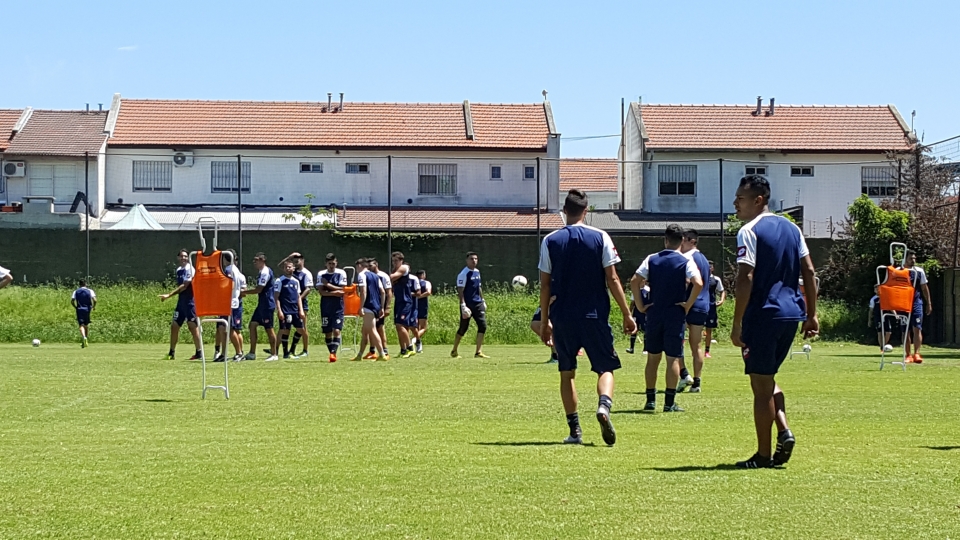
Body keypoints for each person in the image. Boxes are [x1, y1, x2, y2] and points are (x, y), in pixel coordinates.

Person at [731, 174, 818, 469]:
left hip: (764, 315)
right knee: (767, 378)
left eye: (740, 198)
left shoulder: (749, 231)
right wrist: (812, 313)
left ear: (759, 200)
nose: (735, 204)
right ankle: (784, 429)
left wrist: (737, 321)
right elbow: (809, 271)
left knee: (760, 387)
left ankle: (763, 456)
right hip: (791, 314)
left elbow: (747, 276)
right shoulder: (793, 229)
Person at [539, 189, 636, 446]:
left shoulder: (550, 240)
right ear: (586, 210)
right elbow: (613, 278)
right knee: (605, 368)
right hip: (594, 315)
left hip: (563, 317)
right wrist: (627, 314)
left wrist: (545, 321)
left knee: (567, 373)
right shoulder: (600, 236)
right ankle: (604, 407)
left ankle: (575, 432)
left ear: (564, 210)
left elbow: (545, 286)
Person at [632, 225, 703, 413]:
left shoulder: (651, 259)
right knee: (673, 358)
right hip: (675, 314)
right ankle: (669, 403)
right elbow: (698, 283)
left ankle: (650, 401)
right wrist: (688, 304)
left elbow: (634, 281)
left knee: (652, 359)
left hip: (654, 313)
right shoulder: (685, 261)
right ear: (682, 241)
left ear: (665, 240)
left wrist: (639, 305)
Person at [677, 229, 711, 393]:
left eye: (682, 240)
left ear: (691, 241)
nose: (680, 244)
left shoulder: (687, 257)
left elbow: (689, 281)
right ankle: (697, 382)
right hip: (703, 304)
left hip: (688, 303)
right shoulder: (703, 258)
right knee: (696, 345)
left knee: (676, 342)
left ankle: (684, 374)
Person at [159, 249, 203, 360]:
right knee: (174, 326)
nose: (183, 258)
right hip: (181, 303)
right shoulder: (179, 270)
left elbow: (184, 286)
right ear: (178, 258)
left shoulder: (190, 269)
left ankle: (199, 352)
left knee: (192, 326)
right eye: (181, 256)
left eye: (185, 256)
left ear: (188, 258)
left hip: (190, 303)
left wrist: (169, 295)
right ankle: (171, 352)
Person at [241, 252, 279, 362]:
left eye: (256, 260)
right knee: (252, 325)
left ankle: (274, 354)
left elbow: (259, 289)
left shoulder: (265, 272)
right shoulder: (261, 272)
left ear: (262, 261)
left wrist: (244, 292)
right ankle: (252, 353)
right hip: (261, 305)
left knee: (269, 329)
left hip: (267, 304)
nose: (254, 263)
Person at [452, 251, 489, 359]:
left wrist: (483, 300)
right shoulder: (464, 274)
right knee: (463, 328)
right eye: (472, 259)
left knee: (483, 326)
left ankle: (478, 352)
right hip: (468, 305)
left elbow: (479, 287)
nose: (474, 261)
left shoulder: (477, 272)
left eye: (476, 259)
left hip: (478, 304)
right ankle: (454, 350)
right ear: (467, 260)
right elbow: (460, 290)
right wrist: (463, 305)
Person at [352, 258, 387, 362]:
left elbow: (363, 291)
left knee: (372, 330)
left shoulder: (362, 275)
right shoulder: (375, 276)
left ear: (359, 266)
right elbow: (383, 292)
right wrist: (381, 307)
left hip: (368, 305)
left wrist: (361, 307)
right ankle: (359, 355)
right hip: (376, 305)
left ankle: (382, 354)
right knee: (365, 331)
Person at [279, 252, 313, 358]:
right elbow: (280, 266)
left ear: (303, 260)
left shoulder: (306, 273)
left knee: (302, 328)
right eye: (294, 259)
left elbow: (308, 289)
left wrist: (298, 299)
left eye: (298, 259)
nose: (296, 261)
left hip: (301, 304)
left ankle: (305, 350)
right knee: (285, 328)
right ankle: (280, 349)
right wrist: (289, 256)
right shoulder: (291, 271)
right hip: (289, 305)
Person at [317, 253, 348, 363]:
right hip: (325, 306)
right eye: (329, 263)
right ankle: (332, 352)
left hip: (338, 306)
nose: (331, 266)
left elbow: (342, 291)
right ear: (326, 264)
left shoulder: (341, 273)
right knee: (327, 332)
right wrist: (334, 292)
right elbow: (321, 292)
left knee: (337, 330)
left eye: (333, 263)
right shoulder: (321, 274)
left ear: (336, 263)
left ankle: (333, 353)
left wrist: (329, 286)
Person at [903, 250, 931, 364]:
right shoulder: (899, 271)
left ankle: (917, 353)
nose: (913, 260)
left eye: (914, 258)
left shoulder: (919, 271)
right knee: (905, 330)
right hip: (903, 303)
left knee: (917, 328)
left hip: (916, 303)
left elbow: (924, 288)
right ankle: (908, 355)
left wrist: (928, 303)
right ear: (905, 259)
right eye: (911, 258)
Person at [390, 251, 420, 358]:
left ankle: (410, 348)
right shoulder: (395, 269)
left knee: (400, 325)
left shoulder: (403, 268)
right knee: (399, 326)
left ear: (401, 261)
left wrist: (379, 277)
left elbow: (392, 278)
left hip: (405, 301)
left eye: (396, 261)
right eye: (393, 261)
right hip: (398, 300)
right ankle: (403, 350)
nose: (394, 263)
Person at [275, 260, 306, 359]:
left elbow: (298, 297)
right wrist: (279, 310)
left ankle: (292, 350)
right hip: (286, 310)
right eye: (286, 267)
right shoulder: (280, 281)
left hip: (295, 310)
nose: (288, 269)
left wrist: (301, 310)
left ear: (293, 268)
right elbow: (276, 297)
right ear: (284, 269)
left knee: (301, 330)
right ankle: (285, 353)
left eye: (290, 267)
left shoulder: (296, 281)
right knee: (286, 330)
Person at [363, 258, 393, 359]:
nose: (369, 268)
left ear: (376, 265)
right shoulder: (368, 275)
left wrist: (387, 307)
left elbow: (388, 292)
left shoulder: (383, 276)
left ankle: (385, 351)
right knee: (371, 328)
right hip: (371, 304)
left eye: (371, 265)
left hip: (380, 305)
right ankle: (372, 351)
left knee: (380, 327)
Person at [225, 251, 246, 361]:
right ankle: (240, 352)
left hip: (230, 302)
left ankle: (238, 353)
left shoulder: (228, 270)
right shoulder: (238, 271)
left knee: (230, 328)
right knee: (237, 330)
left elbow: (230, 284)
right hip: (236, 301)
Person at [704, 261, 726, 358]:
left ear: (712, 268)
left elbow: (722, 291)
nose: (709, 268)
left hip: (711, 306)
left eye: (710, 267)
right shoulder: (699, 278)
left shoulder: (716, 279)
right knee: (694, 327)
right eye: (707, 266)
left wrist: (721, 300)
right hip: (700, 306)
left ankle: (707, 351)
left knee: (709, 329)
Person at [71, 279, 97, 348]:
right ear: (86, 284)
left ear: (79, 284)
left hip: (80, 309)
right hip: (87, 309)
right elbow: (95, 300)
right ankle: (85, 340)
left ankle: (84, 338)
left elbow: (72, 301)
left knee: (81, 325)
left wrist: (75, 307)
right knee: (86, 324)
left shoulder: (76, 291)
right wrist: (93, 307)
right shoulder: (90, 291)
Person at [625, 284, 650, 355]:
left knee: (646, 330)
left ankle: (646, 349)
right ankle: (631, 348)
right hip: (636, 313)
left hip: (645, 313)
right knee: (634, 329)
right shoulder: (636, 290)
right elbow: (632, 303)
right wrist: (629, 313)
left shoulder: (648, 290)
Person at [414, 270, 432, 353]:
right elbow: (428, 292)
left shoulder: (413, 282)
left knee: (416, 327)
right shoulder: (426, 283)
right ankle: (414, 340)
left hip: (413, 306)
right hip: (422, 306)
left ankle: (418, 344)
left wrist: (415, 297)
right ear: (423, 275)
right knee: (424, 328)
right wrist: (420, 297)